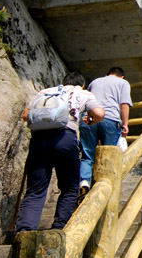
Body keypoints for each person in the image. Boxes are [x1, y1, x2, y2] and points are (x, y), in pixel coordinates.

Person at [15, 71, 103, 233]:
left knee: (35, 189)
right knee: (69, 187)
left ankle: (24, 231)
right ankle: (59, 229)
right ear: (81, 84)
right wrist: (91, 120)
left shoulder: (45, 92)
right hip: (65, 138)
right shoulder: (82, 93)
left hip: (39, 140)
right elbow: (99, 113)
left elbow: (26, 115)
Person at [79, 66, 132, 200]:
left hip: (90, 118)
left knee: (87, 154)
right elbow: (124, 104)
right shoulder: (123, 83)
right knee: (109, 156)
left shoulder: (95, 82)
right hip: (110, 120)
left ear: (106, 74)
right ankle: (104, 190)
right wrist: (125, 123)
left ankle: (84, 181)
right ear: (122, 76)